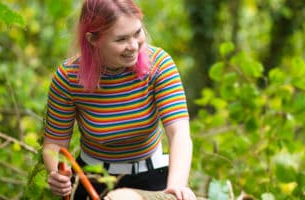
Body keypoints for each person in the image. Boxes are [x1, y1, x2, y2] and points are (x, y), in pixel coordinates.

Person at [42, 0, 196, 199]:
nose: (133, 46)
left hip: (154, 178)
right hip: (93, 179)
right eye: (121, 39)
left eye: (137, 33)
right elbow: (54, 144)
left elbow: (179, 133)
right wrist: (57, 173)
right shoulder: (68, 77)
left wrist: (175, 187)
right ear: (92, 39)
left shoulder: (159, 64)